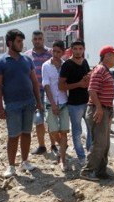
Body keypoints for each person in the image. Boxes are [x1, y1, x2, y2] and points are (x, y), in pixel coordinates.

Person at [0, 29, 43, 178]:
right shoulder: (1, 62)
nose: (21, 44)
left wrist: (38, 101)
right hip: (12, 105)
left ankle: (25, 161)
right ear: (10, 43)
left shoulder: (27, 60)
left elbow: (34, 81)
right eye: (18, 41)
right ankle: (11, 166)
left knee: (27, 133)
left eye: (22, 41)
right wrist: (0, 108)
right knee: (13, 135)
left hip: (29, 103)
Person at [80, 45, 114, 181]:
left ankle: (101, 171)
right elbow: (92, 90)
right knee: (100, 143)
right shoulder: (100, 70)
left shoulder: (105, 70)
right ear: (106, 55)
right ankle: (88, 171)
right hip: (99, 110)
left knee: (105, 143)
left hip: (105, 110)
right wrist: (99, 108)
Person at [59, 40, 92, 163]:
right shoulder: (67, 65)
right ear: (71, 49)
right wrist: (79, 84)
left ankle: (90, 153)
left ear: (83, 49)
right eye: (75, 48)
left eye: (80, 49)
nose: (78, 51)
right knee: (77, 131)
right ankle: (81, 156)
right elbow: (61, 86)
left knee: (91, 128)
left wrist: (87, 79)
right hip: (74, 103)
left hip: (87, 101)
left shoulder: (85, 62)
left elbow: (88, 78)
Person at [25, 30, 56, 155]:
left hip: (50, 91)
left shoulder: (50, 53)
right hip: (34, 93)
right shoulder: (27, 56)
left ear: (43, 40)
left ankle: (54, 145)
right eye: (35, 39)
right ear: (32, 40)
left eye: (40, 38)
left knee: (52, 119)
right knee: (38, 120)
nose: (37, 41)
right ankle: (42, 146)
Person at [41, 40, 70, 172]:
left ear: (63, 52)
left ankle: (62, 159)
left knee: (64, 131)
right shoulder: (46, 66)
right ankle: (62, 146)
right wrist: (52, 103)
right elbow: (46, 85)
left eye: (59, 51)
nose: (56, 54)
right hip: (50, 102)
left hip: (64, 101)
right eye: (54, 51)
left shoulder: (65, 66)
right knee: (52, 130)